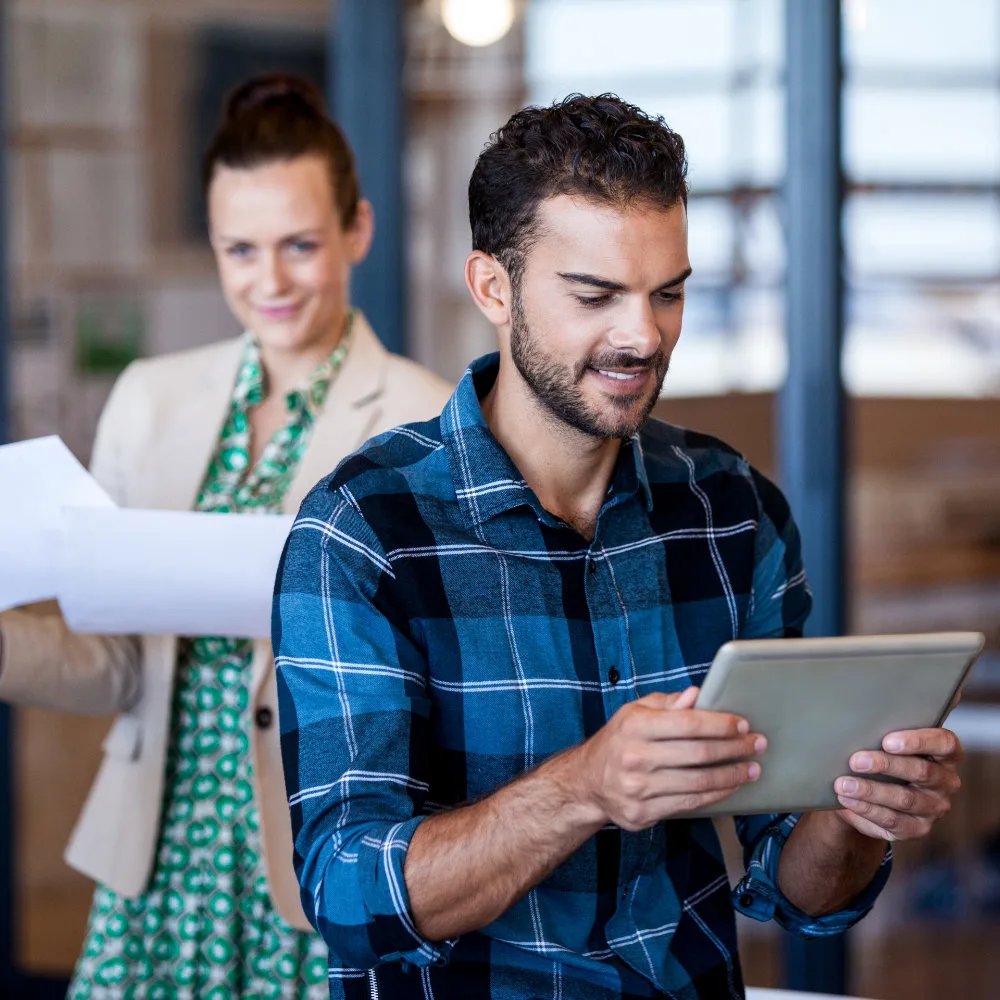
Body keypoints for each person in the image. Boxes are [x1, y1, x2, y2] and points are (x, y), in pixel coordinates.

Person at [272, 95, 964, 999]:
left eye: (667, 292)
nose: (643, 335)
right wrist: (583, 789)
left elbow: (796, 888)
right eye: (595, 295)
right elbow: (345, 892)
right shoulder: (363, 529)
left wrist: (858, 814)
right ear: (493, 287)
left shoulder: (731, 508)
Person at [0, 73, 451, 999]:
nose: (268, 281)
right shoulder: (150, 399)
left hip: (326, 859)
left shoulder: (427, 419)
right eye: (240, 250)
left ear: (358, 231)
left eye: (299, 245)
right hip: (161, 860)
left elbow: (448, 670)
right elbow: (120, 663)